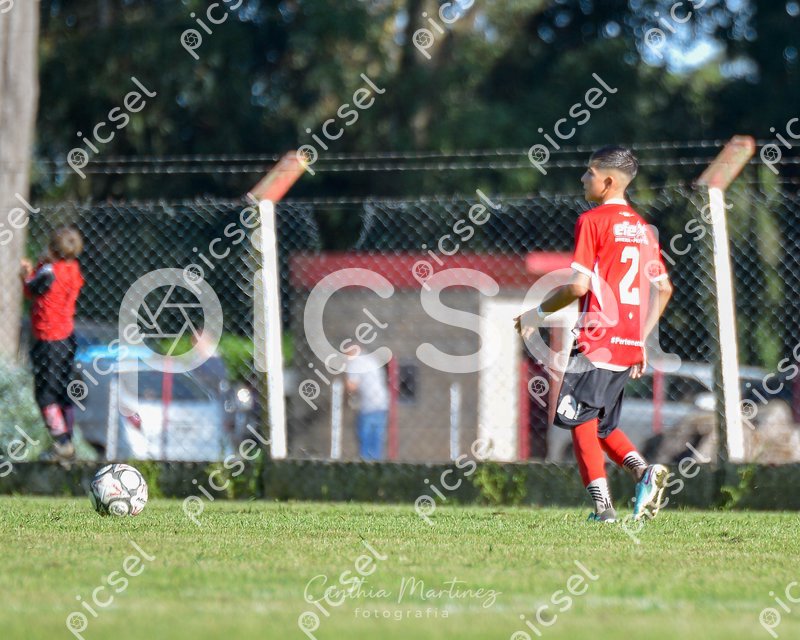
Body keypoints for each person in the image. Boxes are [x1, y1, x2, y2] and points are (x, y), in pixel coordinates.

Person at [515, 146, 673, 522]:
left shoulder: (593, 221)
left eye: (589, 173)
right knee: (601, 424)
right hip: (628, 342)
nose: (583, 178)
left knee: (577, 419)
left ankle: (603, 509)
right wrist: (640, 339)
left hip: (597, 337)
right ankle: (642, 473)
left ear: (608, 181)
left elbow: (577, 287)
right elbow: (664, 288)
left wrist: (535, 315)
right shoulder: (643, 229)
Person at [20, 227, 85, 462]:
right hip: (66, 338)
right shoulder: (72, 268)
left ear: (52, 249)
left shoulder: (49, 272)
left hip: (48, 340)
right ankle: (67, 440)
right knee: (62, 391)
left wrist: (26, 273)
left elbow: (31, 289)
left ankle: (62, 442)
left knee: (45, 395)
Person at [344, 344, 389, 460]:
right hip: (382, 402)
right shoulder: (371, 359)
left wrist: (345, 389)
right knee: (377, 439)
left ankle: (365, 463)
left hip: (368, 406)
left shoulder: (355, 363)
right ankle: (376, 463)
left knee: (365, 438)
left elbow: (351, 386)